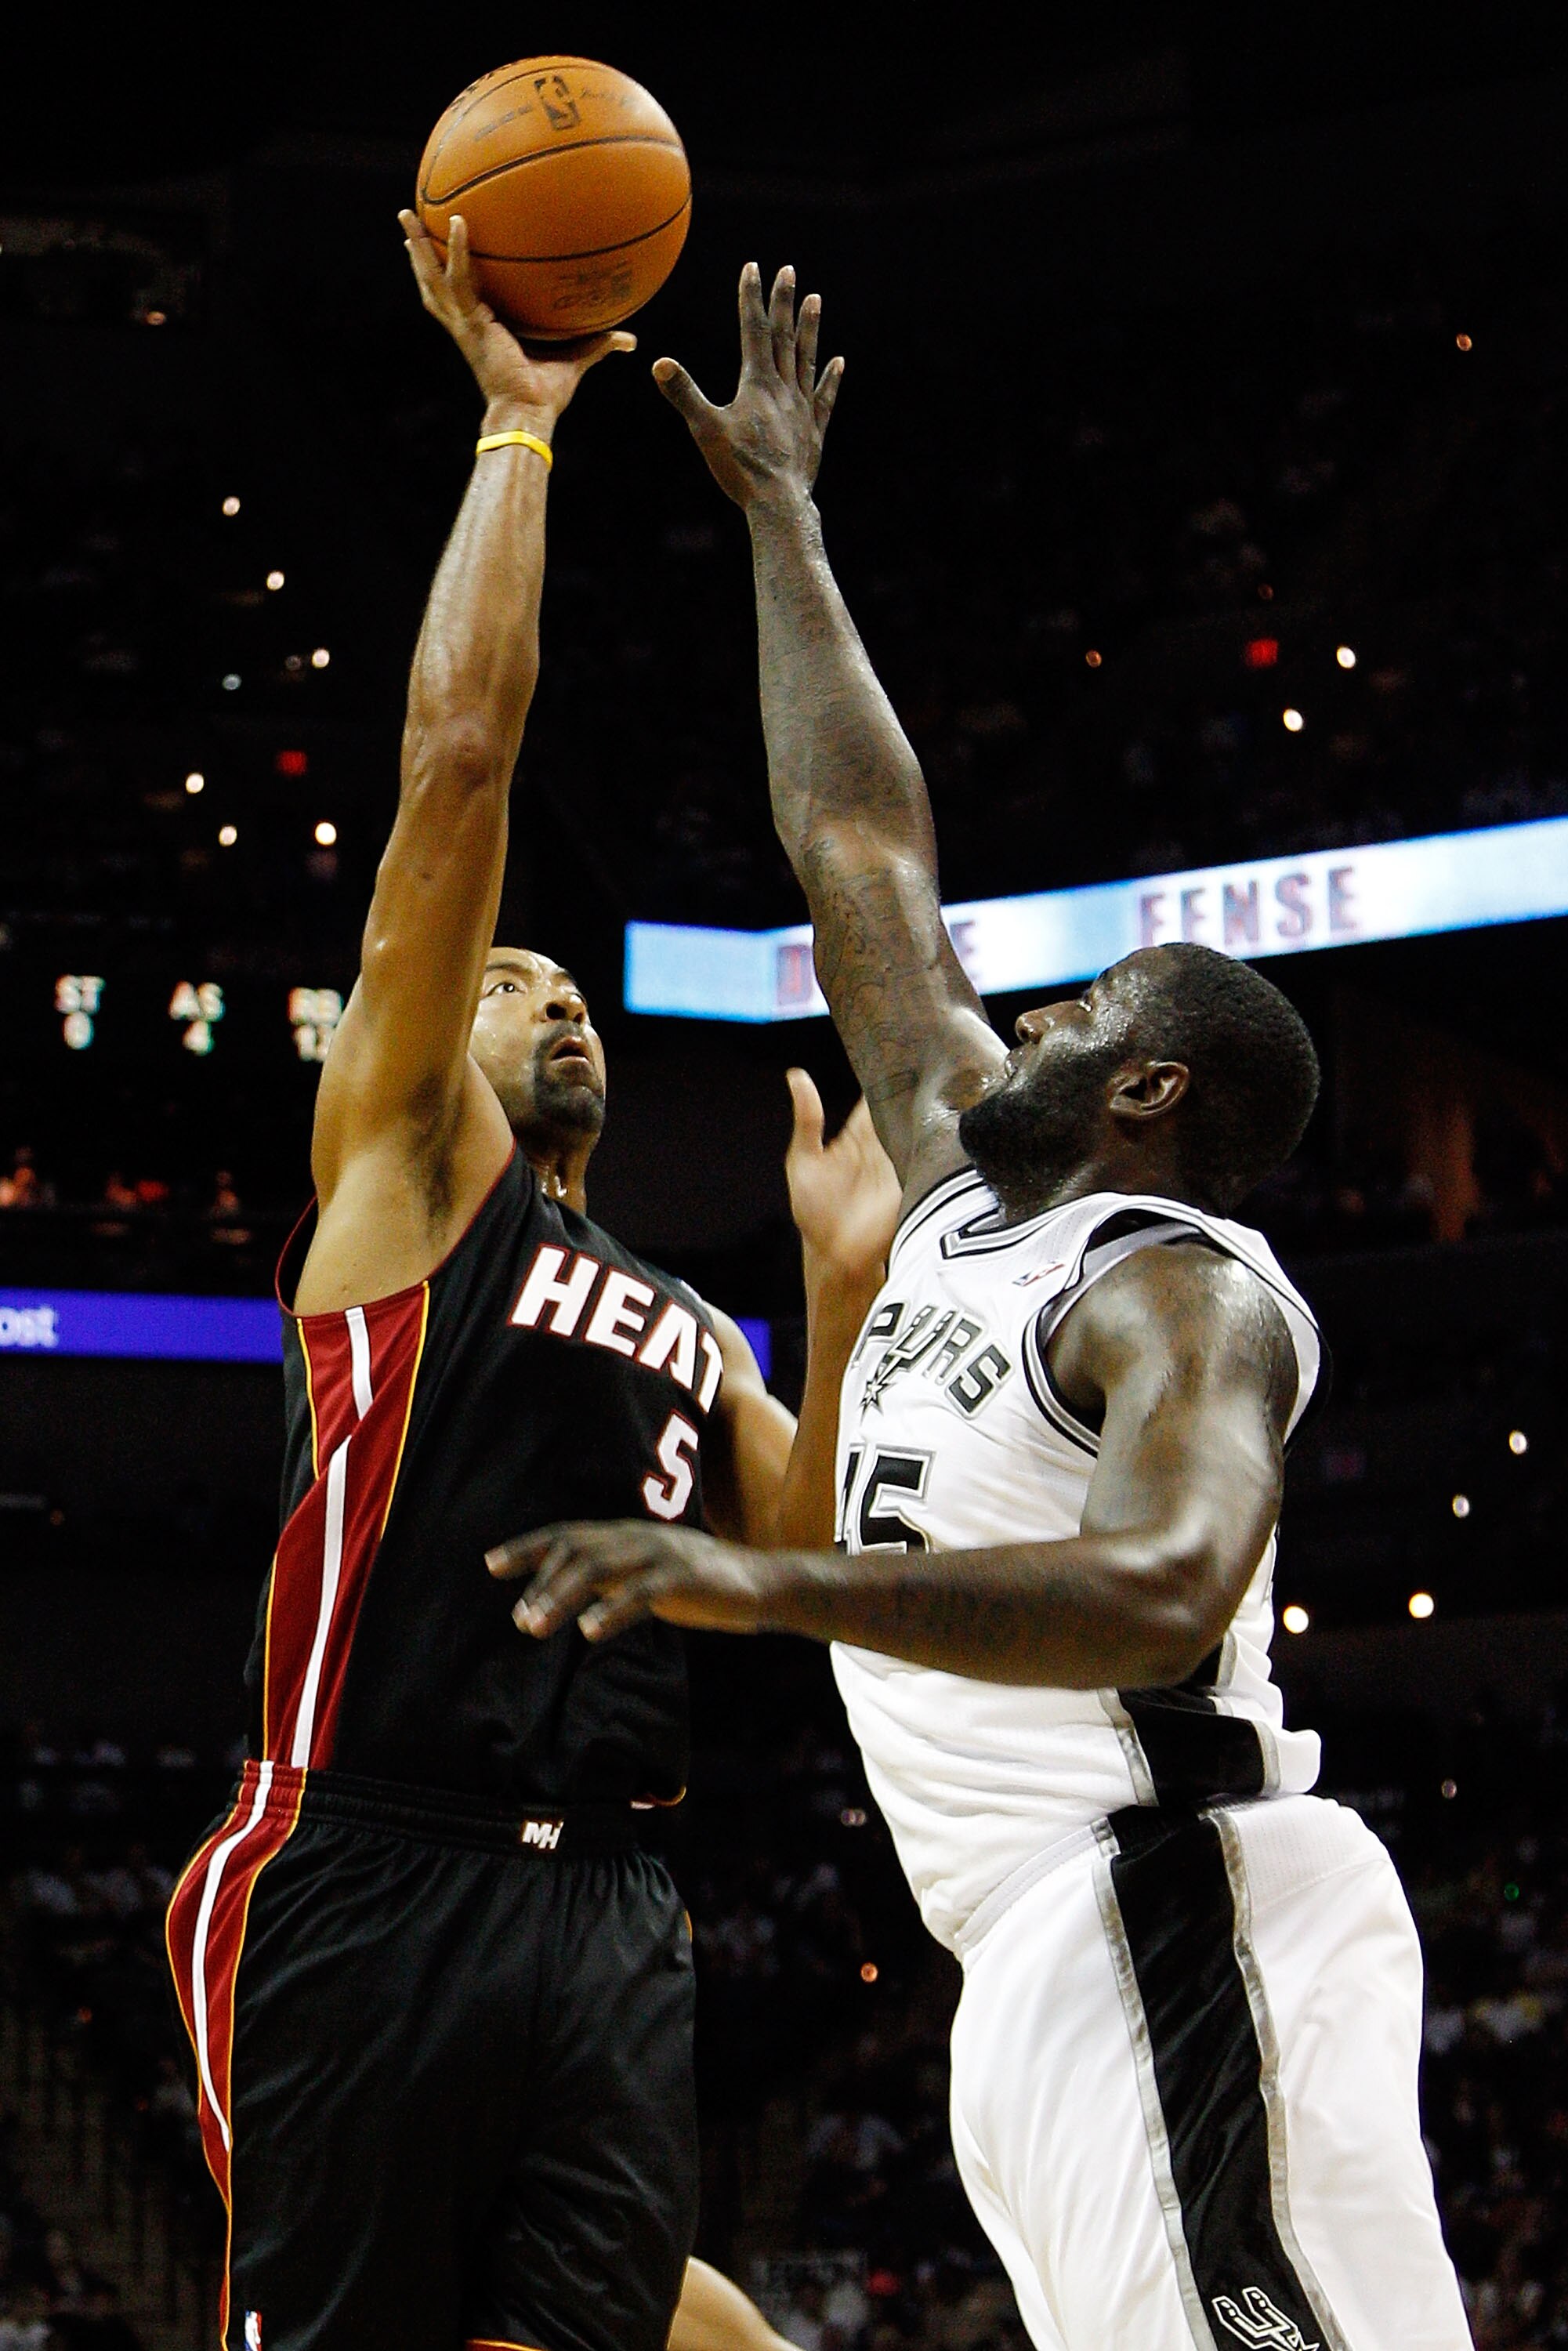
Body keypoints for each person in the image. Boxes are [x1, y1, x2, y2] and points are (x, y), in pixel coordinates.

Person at [491, 267, 1473, 2350]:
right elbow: (856, 844)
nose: (1023, 1011)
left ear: (1147, 1089)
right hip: (1036, 1947)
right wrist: (783, 523)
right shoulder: (963, 1184)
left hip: (1181, 1903)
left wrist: (762, 1589)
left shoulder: (1180, 1299)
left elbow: (1156, 1582)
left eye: (1086, 1009)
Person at [165, 220, 899, 2351]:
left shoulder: (682, 1311)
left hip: (614, 1905)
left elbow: (803, 1550)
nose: (552, 995)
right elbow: (460, 766)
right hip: (367, 1861)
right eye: (509, 982)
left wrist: (838, 1288)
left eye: (572, 983)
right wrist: (518, 420)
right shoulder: (401, 1187)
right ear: (412, 1042)